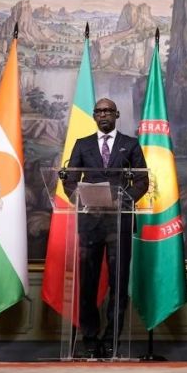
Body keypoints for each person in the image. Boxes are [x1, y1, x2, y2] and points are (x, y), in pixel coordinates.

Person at [64, 98, 148, 358]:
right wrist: (81, 197)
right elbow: (69, 181)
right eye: (99, 111)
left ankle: (112, 338)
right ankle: (90, 338)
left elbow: (143, 180)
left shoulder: (130, 145)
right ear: (93, 115)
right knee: (87, 284)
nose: (104, 115)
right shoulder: (82, 144)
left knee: (119, 283)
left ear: (117, 114)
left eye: (108, 111)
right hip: (90, 222)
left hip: (119, 223)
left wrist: (123, 199)